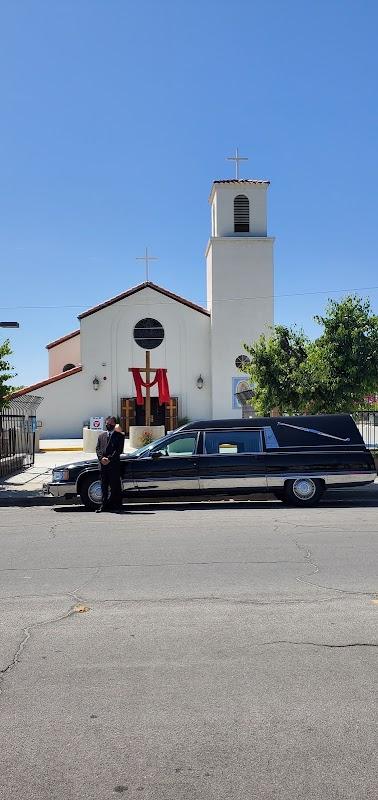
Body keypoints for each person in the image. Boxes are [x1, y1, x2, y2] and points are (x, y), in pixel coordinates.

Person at [95, 416, 125, 512]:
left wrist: (109, 459)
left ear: (114, 424)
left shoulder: (119, 436)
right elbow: (98, 449)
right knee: (104, 486)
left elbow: (118, 450)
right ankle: (103, 505)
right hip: (103, 466)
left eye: (111, 423)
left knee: (115, 486)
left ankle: (116, 505)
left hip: (113, 465)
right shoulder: (101, 436)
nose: (109, 425)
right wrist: (101, 458)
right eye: (107, 423)